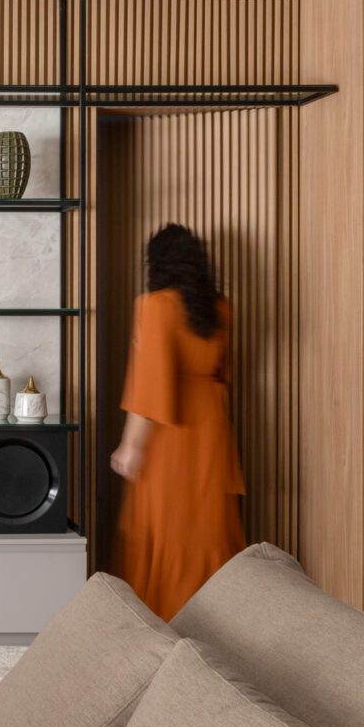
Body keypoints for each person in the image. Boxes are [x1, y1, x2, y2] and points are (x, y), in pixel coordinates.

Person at [109, 224, 246, 618]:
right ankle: (217, 614)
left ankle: (165, 613)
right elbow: (221, 372)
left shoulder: (154, 306)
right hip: (212, 428)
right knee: (205, 522)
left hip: (169, 430)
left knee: (164, 521)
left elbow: (150, 381)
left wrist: (131, 445)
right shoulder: (220, 309)